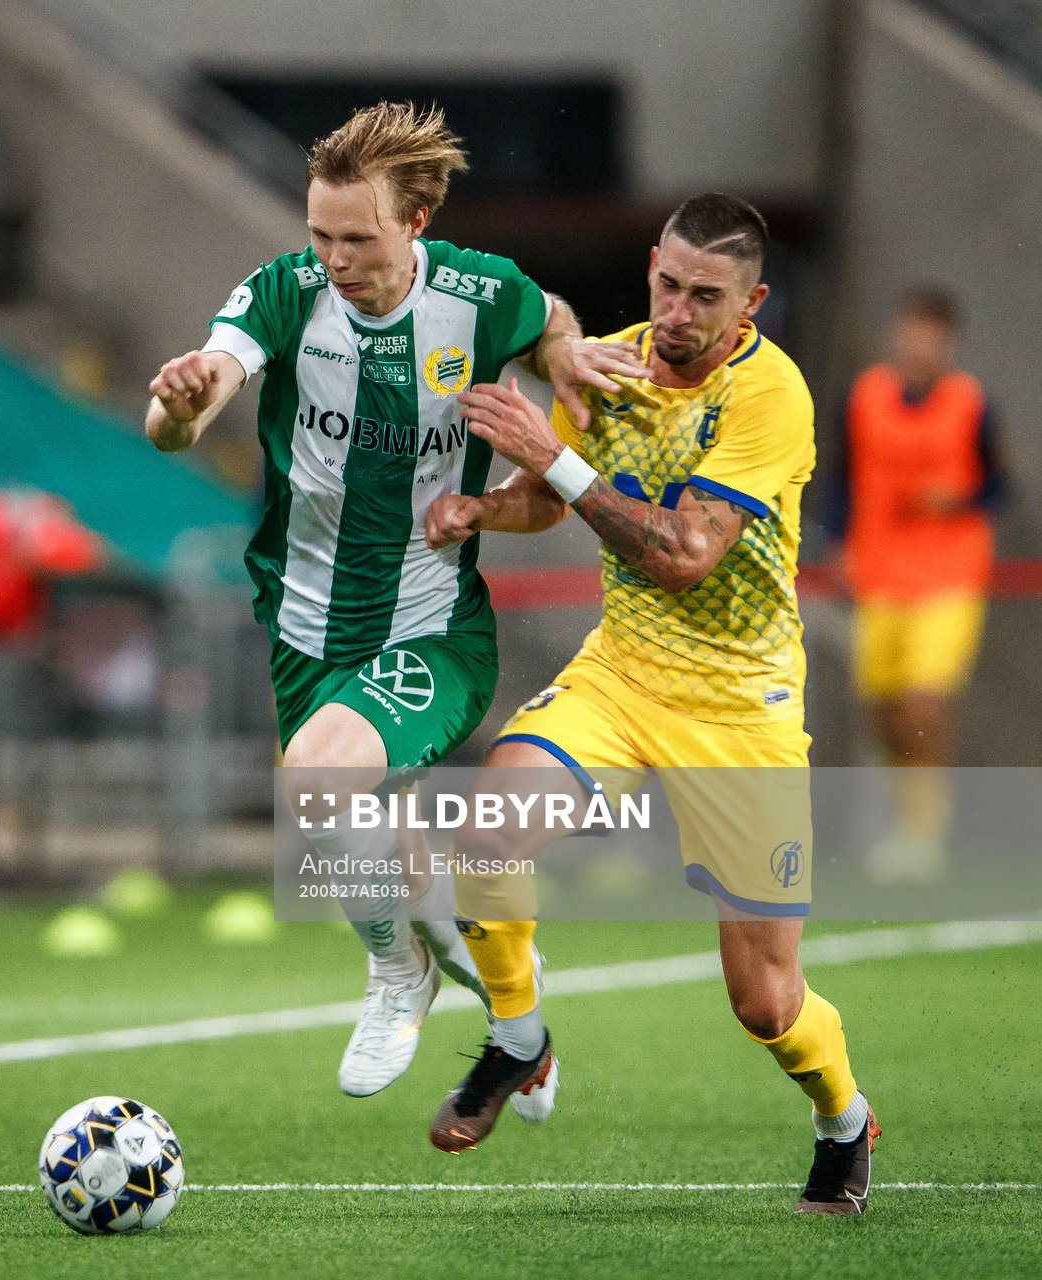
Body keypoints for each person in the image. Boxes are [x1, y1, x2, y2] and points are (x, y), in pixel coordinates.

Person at [144, 101, 641, 1099]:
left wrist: (566, 360)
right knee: (367, 833)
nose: (335, 257)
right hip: (303, 630)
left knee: (318, 785)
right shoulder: (285, 294)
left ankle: (396, 970)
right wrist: (182, 403)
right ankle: (511, 1009)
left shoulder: (475, 293)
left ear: (417, 222)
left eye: (359, 238)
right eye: (321, 234)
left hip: (431, 626)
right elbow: (187, 411)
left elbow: (547, 321)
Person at [425, 194, 877, 1214]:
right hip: (623, 674)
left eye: (704, 295)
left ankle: (844, 1117)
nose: (676, 310)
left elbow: (683, 553)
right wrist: (484, 507)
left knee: (765, 1001)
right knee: (486, 835)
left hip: (740, 708)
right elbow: (554, 494)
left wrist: (553, 458)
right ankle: (519, 1037)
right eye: (665, 284)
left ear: (752, 301)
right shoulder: (612, 360)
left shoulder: (772, 397)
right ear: (649, 269)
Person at [828, 289, 1005, 881]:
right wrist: (838, 543)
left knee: (923, 701)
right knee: (884, 711)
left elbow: (1001, 485)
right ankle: (905, 826)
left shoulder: (970, 403)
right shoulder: (865, 397)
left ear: (947, 342)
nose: (916, 345)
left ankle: (925, 834)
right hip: (878, 573)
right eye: (908, 331)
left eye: (929, 335)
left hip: (949, 574)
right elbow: (843, 477)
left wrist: (960, 499)